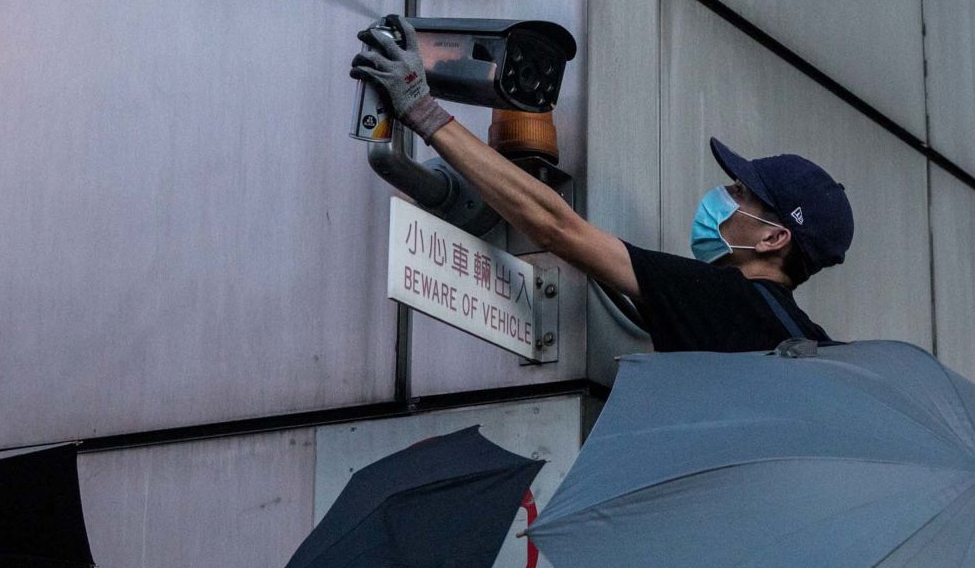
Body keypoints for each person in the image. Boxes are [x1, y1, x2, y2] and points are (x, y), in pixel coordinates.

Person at [351, 22, 855, 353]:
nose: (724, 194)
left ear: (773, 238)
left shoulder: (725, 298)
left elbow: (555, 225)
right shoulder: (809, 345)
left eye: (743, 194)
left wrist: (422, 109)